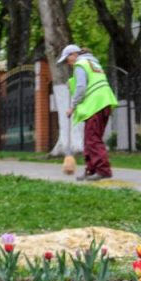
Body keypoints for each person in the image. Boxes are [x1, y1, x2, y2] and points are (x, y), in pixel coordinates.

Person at [58, 44, 118, 181]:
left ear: (73, 54)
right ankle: (91, 170)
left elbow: (81, 88)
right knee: (90, 139)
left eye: (67, 59)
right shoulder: (92, 63)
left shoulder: (80, 64)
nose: (67, 63)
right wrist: (71, 82)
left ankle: (103, 171)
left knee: (92, 140)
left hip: (95, 105)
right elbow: (89, 81)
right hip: (104, 103)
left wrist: (72, 107)